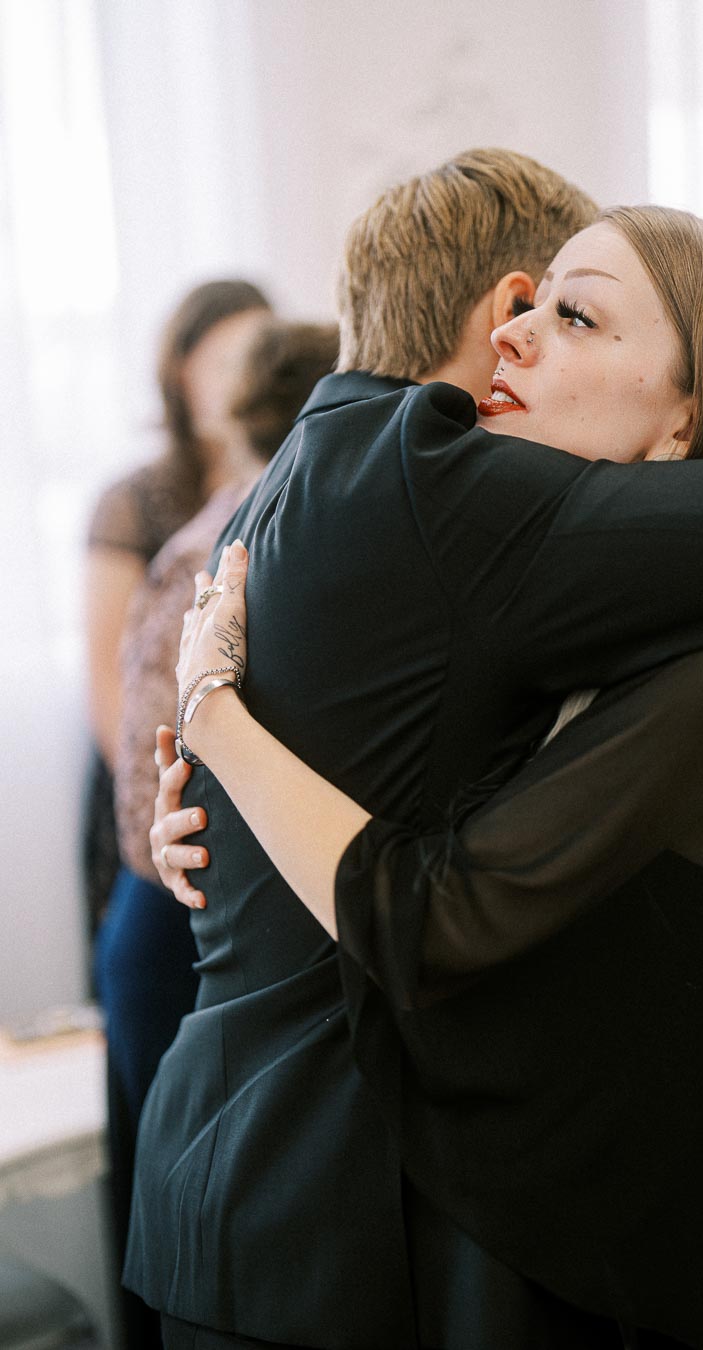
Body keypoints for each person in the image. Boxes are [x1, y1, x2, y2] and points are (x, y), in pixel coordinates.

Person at [131, 162, 703, 1350]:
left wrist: (214, 734)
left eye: (573, 312)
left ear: (690, 419)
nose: (518, 337)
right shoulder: (448, 504)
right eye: (528, 305)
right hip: (331, 1213)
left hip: (393, 1228)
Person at [94, 320, 338, 1349]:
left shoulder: (224, 522)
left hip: (153, 902)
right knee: (201, 1215)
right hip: (172, 909)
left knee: (186, 1200)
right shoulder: (251, 540)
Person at [83, 279, 272, 939]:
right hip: (154, 763)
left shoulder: (279, 482)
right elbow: (108, 678)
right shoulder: (134, 503)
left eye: (258, 360)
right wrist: (163, 794)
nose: (243, 380)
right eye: (225, 362)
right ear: (181, 373)